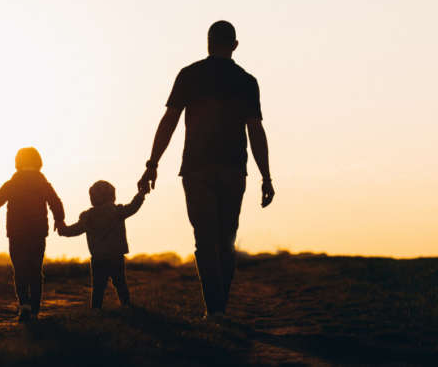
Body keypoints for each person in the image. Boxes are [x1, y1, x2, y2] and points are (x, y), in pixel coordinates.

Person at [137, 20, 275, 319]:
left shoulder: (190, 75)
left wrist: (152, 163)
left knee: (205, 238)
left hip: (196, 168)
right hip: (233, 169)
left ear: (208, 43)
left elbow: (169, 121)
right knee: (225, 238)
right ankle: (219, 306)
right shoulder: (246, 81)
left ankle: (213, 309)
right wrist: (266, 175)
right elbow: (256, 131)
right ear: (235, 45)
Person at [0, 147, 65, 322]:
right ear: (38, 162)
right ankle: (35, 309)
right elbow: (56, 203)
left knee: (20, 270)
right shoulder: (43, 184)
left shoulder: (12, 184)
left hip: (17, 234)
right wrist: (59, 220)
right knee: (35, 270)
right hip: (38, 233)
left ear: (18, 162)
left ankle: (24, 306)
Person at [57, 181, 148, 309]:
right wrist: (141, 194)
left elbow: (74, 230)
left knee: (98, 287)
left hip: (98, 257)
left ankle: (96, 310)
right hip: (116, 255)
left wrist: (62, 229)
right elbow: (133, 207)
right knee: (120, 283)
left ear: (92, 198)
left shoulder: (87, 216)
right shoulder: (117, 211)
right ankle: (126, 306)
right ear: (112, 196)